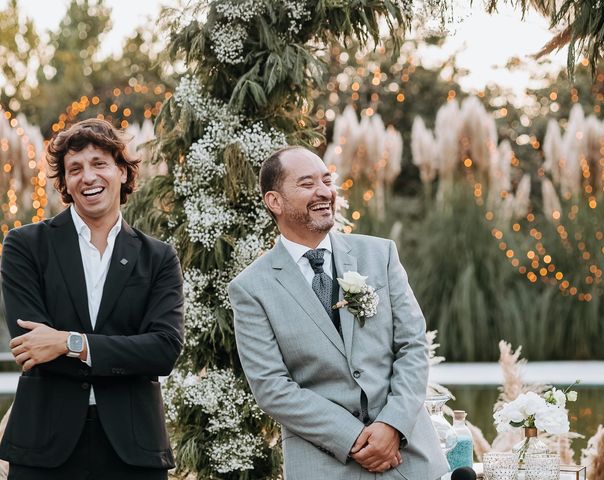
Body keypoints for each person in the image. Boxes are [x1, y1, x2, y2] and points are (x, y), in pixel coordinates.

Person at [228, 146, 449, 479]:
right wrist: (353, 437)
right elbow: (272, 387)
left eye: (326, 180)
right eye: (306, 184)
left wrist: (391, 425)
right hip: (326, 463)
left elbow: (413, 345)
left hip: (407, 457)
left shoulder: (380, 254)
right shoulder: (251, 288)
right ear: (274, 201)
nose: (323, 192)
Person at [0, 118, 184, 479]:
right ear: (65, 183)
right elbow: (31, 348)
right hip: (43, 448)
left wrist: (70, 343)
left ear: (122, 171)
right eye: (74, 169)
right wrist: (127, 353)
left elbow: (163, 350)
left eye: (99, 163)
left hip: (134, 450)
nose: (88, 177)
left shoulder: (159, 257)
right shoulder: (24, 246)